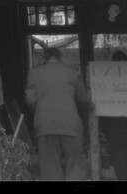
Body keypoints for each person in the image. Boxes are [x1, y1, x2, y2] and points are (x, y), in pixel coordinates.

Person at [24, 47, 93, 180]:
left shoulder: (34, 74)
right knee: (76, 166)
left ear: (44, 58)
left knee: (50, 169)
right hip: (70, 124)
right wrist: (90, 107)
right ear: (60, 58)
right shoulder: (72, 73)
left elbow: (30, 100)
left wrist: (40, 112)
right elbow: (83, 99)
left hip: (45, 125)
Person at [98, 50, 127, 180]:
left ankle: (124, 179)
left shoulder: (105, 81)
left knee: (119, 158)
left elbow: (103, 103)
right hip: (119, 126)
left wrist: (103, 128)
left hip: (115, 127)